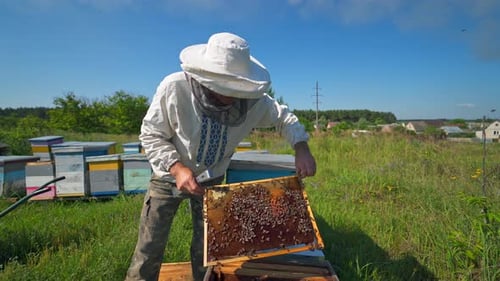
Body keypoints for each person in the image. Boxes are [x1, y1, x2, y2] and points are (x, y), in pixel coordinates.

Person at [125, 32, 316, 281]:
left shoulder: (255, 101)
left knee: (207, 247)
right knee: (149, 246)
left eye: (235, 87)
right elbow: (151, 134)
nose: (229, 95)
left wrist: (301, 147)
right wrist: (176, 167)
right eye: (223, 86)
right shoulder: (174, 87)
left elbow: (284, 118)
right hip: (167, 178)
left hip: (211, 180)